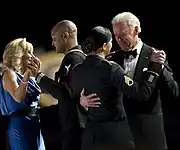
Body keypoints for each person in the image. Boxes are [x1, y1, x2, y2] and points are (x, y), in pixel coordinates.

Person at [31, 26, 165, 150]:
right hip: (116, 136)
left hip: (91, 138)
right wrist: (154, 68)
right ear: (106, 45)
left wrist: (40, 76)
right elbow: (141, 94)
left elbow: (64, 94)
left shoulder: (78, 70)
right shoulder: (111, 69)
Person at [103, 12, 179, 150]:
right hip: (119, 132)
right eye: (116, 36)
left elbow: (173, 92)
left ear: (136, 30)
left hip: (148, 131)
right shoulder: (112, 59)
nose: (119, 40)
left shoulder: (155, 55)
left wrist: (160, 68)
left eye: (123, 34)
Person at [38, 20, 86, 150]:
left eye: (54, 38)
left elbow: (65, 93)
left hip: (75, 128)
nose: (53, 43)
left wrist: (39, 77)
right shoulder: (78, 57)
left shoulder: (73, 59)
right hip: (76, 126)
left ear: (65, 36)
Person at [0, 38, 45, 150]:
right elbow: (18, 97)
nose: (32, 56)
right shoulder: (9, 74)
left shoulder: (27, 77)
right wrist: (28, 74)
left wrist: (38, 74)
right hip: (21, 124)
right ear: (18, 54)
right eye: (28, 52)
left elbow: (45, 93)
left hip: (34, 122)